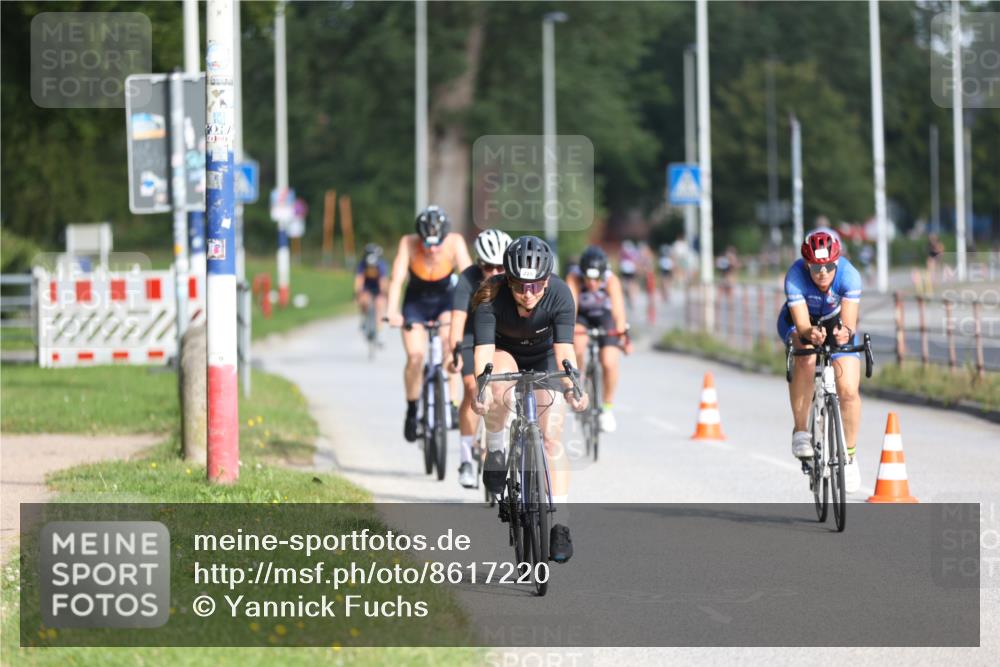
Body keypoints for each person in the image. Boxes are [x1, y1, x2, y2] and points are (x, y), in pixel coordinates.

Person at [471, 236, 588, 563]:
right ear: (507, 280)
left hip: (544, 358)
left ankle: (561, 524)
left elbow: (565, 351)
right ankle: (495, 447)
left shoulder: (561, 295)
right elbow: (483, 356)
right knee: (497, 389)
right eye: (521, 286)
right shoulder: (489, 297)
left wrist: (574, 388)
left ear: (547, 280)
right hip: (503, 355)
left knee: (552, 436)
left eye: (536, 285)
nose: (528, 293)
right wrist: (479, 392)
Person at [777, 230, 863, 492]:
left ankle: (849, 457)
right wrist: (809, 333)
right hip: (801, 322)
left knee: (848, 391)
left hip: (835, 322)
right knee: (806, 354)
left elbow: (848, 324)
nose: (822, 273)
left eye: (828, 267)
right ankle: (801, 431)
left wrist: (843, 332)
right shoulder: (795, 277)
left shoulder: (850, 276)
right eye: (816, 267)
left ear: (836, 262)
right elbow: (802, 324)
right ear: (807, 264)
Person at [385, 206, 472, 443]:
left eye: (437, 244)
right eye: (427, 244)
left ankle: (452, 403)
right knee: (415, 356)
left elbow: (468, 276)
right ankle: (412, 411)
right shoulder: (408, 243)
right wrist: (392, 311)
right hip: (416, 302)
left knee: (449, 343)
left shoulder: (455, 242)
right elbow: (397, 279)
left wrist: (475, 307)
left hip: (446, 300)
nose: (432, 249)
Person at [447, 228, 512, 489]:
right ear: (478, 264)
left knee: (507, 388)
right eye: (488, 267)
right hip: (472, 336)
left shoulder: (513, 281)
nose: (495, 273)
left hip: (502, 336)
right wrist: (454, 351)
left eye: (500, 267)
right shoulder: (467, 279)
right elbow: (457, 319)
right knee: (473, 388)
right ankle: (465, 458)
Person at [565, 245, 631, 433]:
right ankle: (579, 382)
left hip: (604, 316)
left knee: (609, 361)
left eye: (597, 279)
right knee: (577, 344)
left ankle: (608, 408)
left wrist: (622, 335)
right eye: (588, 278)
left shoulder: (611, 280)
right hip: (582, 316)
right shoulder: (574, 277)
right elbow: (570, 311)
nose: (592, 284)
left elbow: (618, 312)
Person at [354, 243, 388, 340]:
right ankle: (364, 319)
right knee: (364, 300)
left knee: (379, 304)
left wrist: (383, 293)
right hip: (367, 286)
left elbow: (383, 280)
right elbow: (359, 279)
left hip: (378, 287)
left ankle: (379, 331)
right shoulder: (362, 264)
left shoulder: (381, 265)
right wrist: (358, 292)